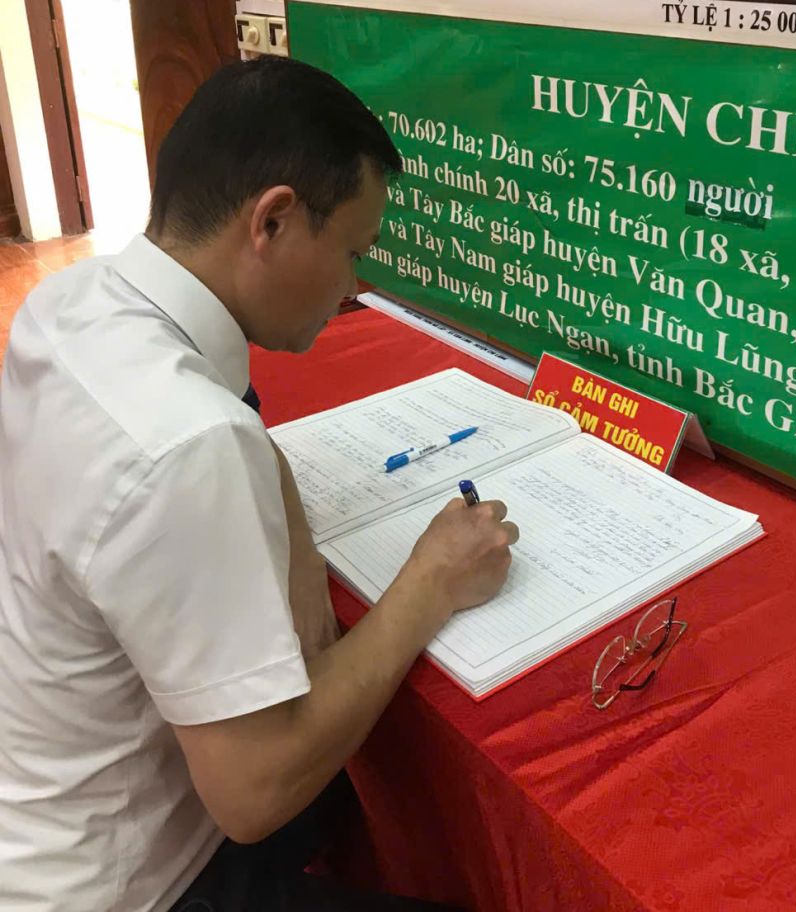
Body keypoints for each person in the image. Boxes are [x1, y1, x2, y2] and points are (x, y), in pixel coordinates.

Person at [0, 57, 519, 911]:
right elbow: (256, 795)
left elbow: (228, 410)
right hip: (133, 885)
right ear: (272, 221)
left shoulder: (75, 300)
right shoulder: (189, 445)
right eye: (351, 251)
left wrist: (296, 535)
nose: (354, 285)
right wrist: (431, 582)